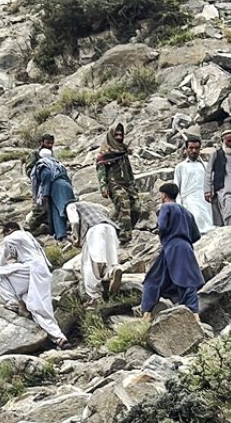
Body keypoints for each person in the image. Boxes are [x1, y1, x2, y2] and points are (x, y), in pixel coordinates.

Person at [0, 223, 69, 348]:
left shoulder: (12, 237)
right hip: (41, 271)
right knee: (36, 305)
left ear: (8, 230)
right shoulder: (28, 235)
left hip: (32, 269)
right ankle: (58, 338)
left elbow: (1, 260)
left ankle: (12, 302)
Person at [141, 182, 205, 319]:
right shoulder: (187, 212)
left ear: (164, 195)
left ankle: (147, 315)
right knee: (187, 281)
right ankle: (195, 315)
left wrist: (163, 234)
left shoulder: (166, 207)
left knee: (153, 279)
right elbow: (196, 235)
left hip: (171, 248)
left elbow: (162, 226)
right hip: (186, 248)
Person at [66, 201, 122, 302]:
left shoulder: (71, 206)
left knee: (90, 265)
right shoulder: (99, 205)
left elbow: (74, 221)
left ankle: (95, 297)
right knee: (110, 262)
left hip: (94, 230)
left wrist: (76, 238)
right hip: (110, 229)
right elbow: (108, 212)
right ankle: (113, 272)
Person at [96, 122, 139, 240]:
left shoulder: (123, 149)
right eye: (116, 135)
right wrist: (103, 187)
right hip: (114, 184)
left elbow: (128, 168)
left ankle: (120, 226)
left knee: (136, 207)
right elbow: (101, 170)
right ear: (111, 136)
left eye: (121, 135)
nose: (119, 137)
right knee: (124, 203)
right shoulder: (104, 153)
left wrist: (133, 184)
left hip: (127, 183)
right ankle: (124, 235)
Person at [30, 148, 77, 242]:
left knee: (61, 211)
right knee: (64, 210)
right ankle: (61, 234)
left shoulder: (42, 163)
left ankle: (65, 234)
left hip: (56, 187)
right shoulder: (57, 163)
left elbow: (46, 175)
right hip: (66, 185)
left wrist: (45, 193)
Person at [174, 135, 214, 234]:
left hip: (205, 202)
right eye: (191, 148)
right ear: (186, 149)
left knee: (208, 227)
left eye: (196, 148)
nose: (194, 151)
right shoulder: (180, 167)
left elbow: (211, 183)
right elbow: (176, 187)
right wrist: (179, 204)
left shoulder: (205, 166)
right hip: (189, 201)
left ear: (200, 149)